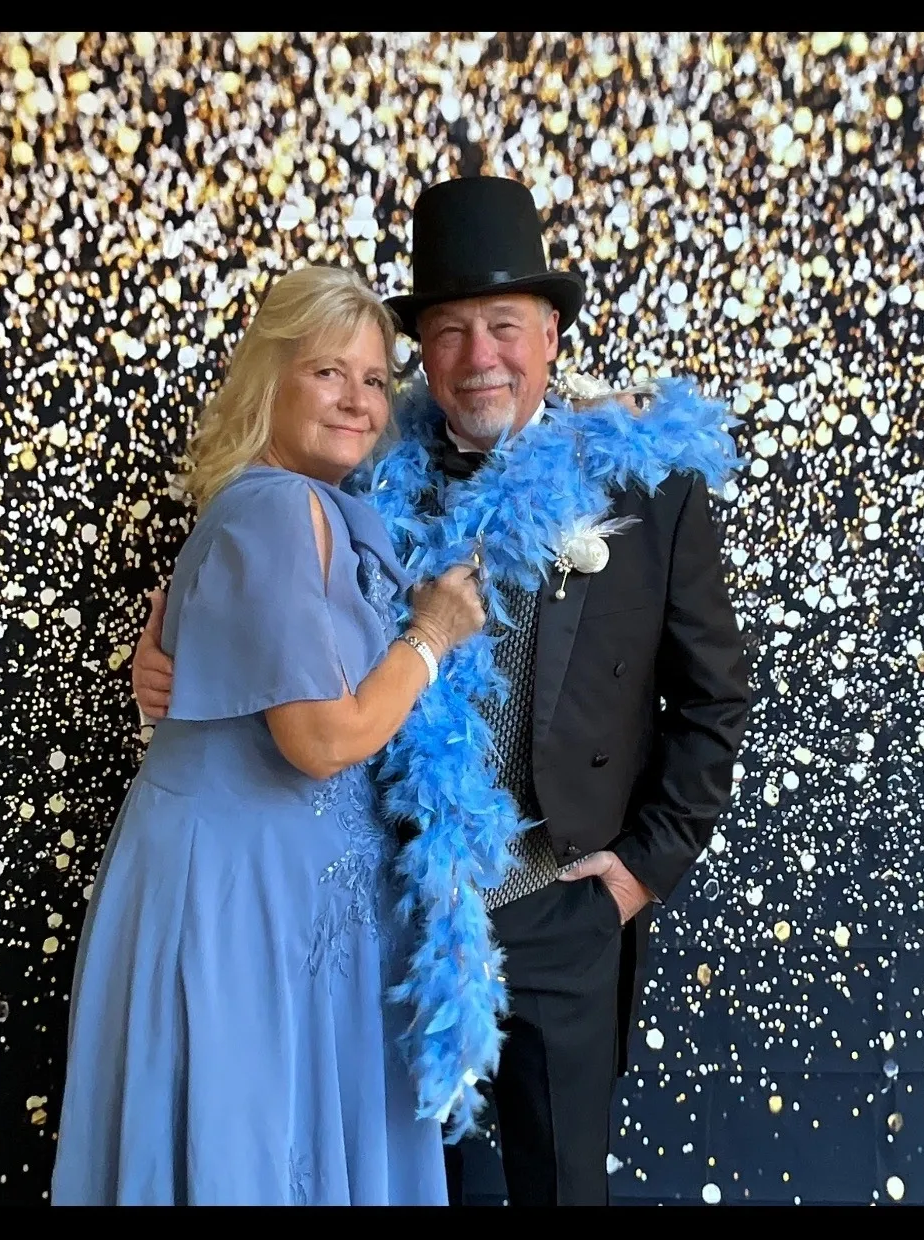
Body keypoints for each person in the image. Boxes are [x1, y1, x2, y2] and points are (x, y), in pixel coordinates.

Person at [133, 177, 751, 1206]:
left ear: (549, 333)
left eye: (503, 326)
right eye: (450, 332)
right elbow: (255, 577)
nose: (479, 359)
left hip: (563, 903)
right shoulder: (354, 472)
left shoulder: (648, 488)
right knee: (411, 1189)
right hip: (396, 906)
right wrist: (164, 641)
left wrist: (640, 872)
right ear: (421, 349)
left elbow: (713, 698)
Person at [52, 264, 486, 1206]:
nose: (356, 399)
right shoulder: (282, 509)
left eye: (374, 380)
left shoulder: (299, 509)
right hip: (249, 904)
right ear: (270, 379)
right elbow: (322, 739)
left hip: (275, 895)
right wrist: (432, 638)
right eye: (327, 371)